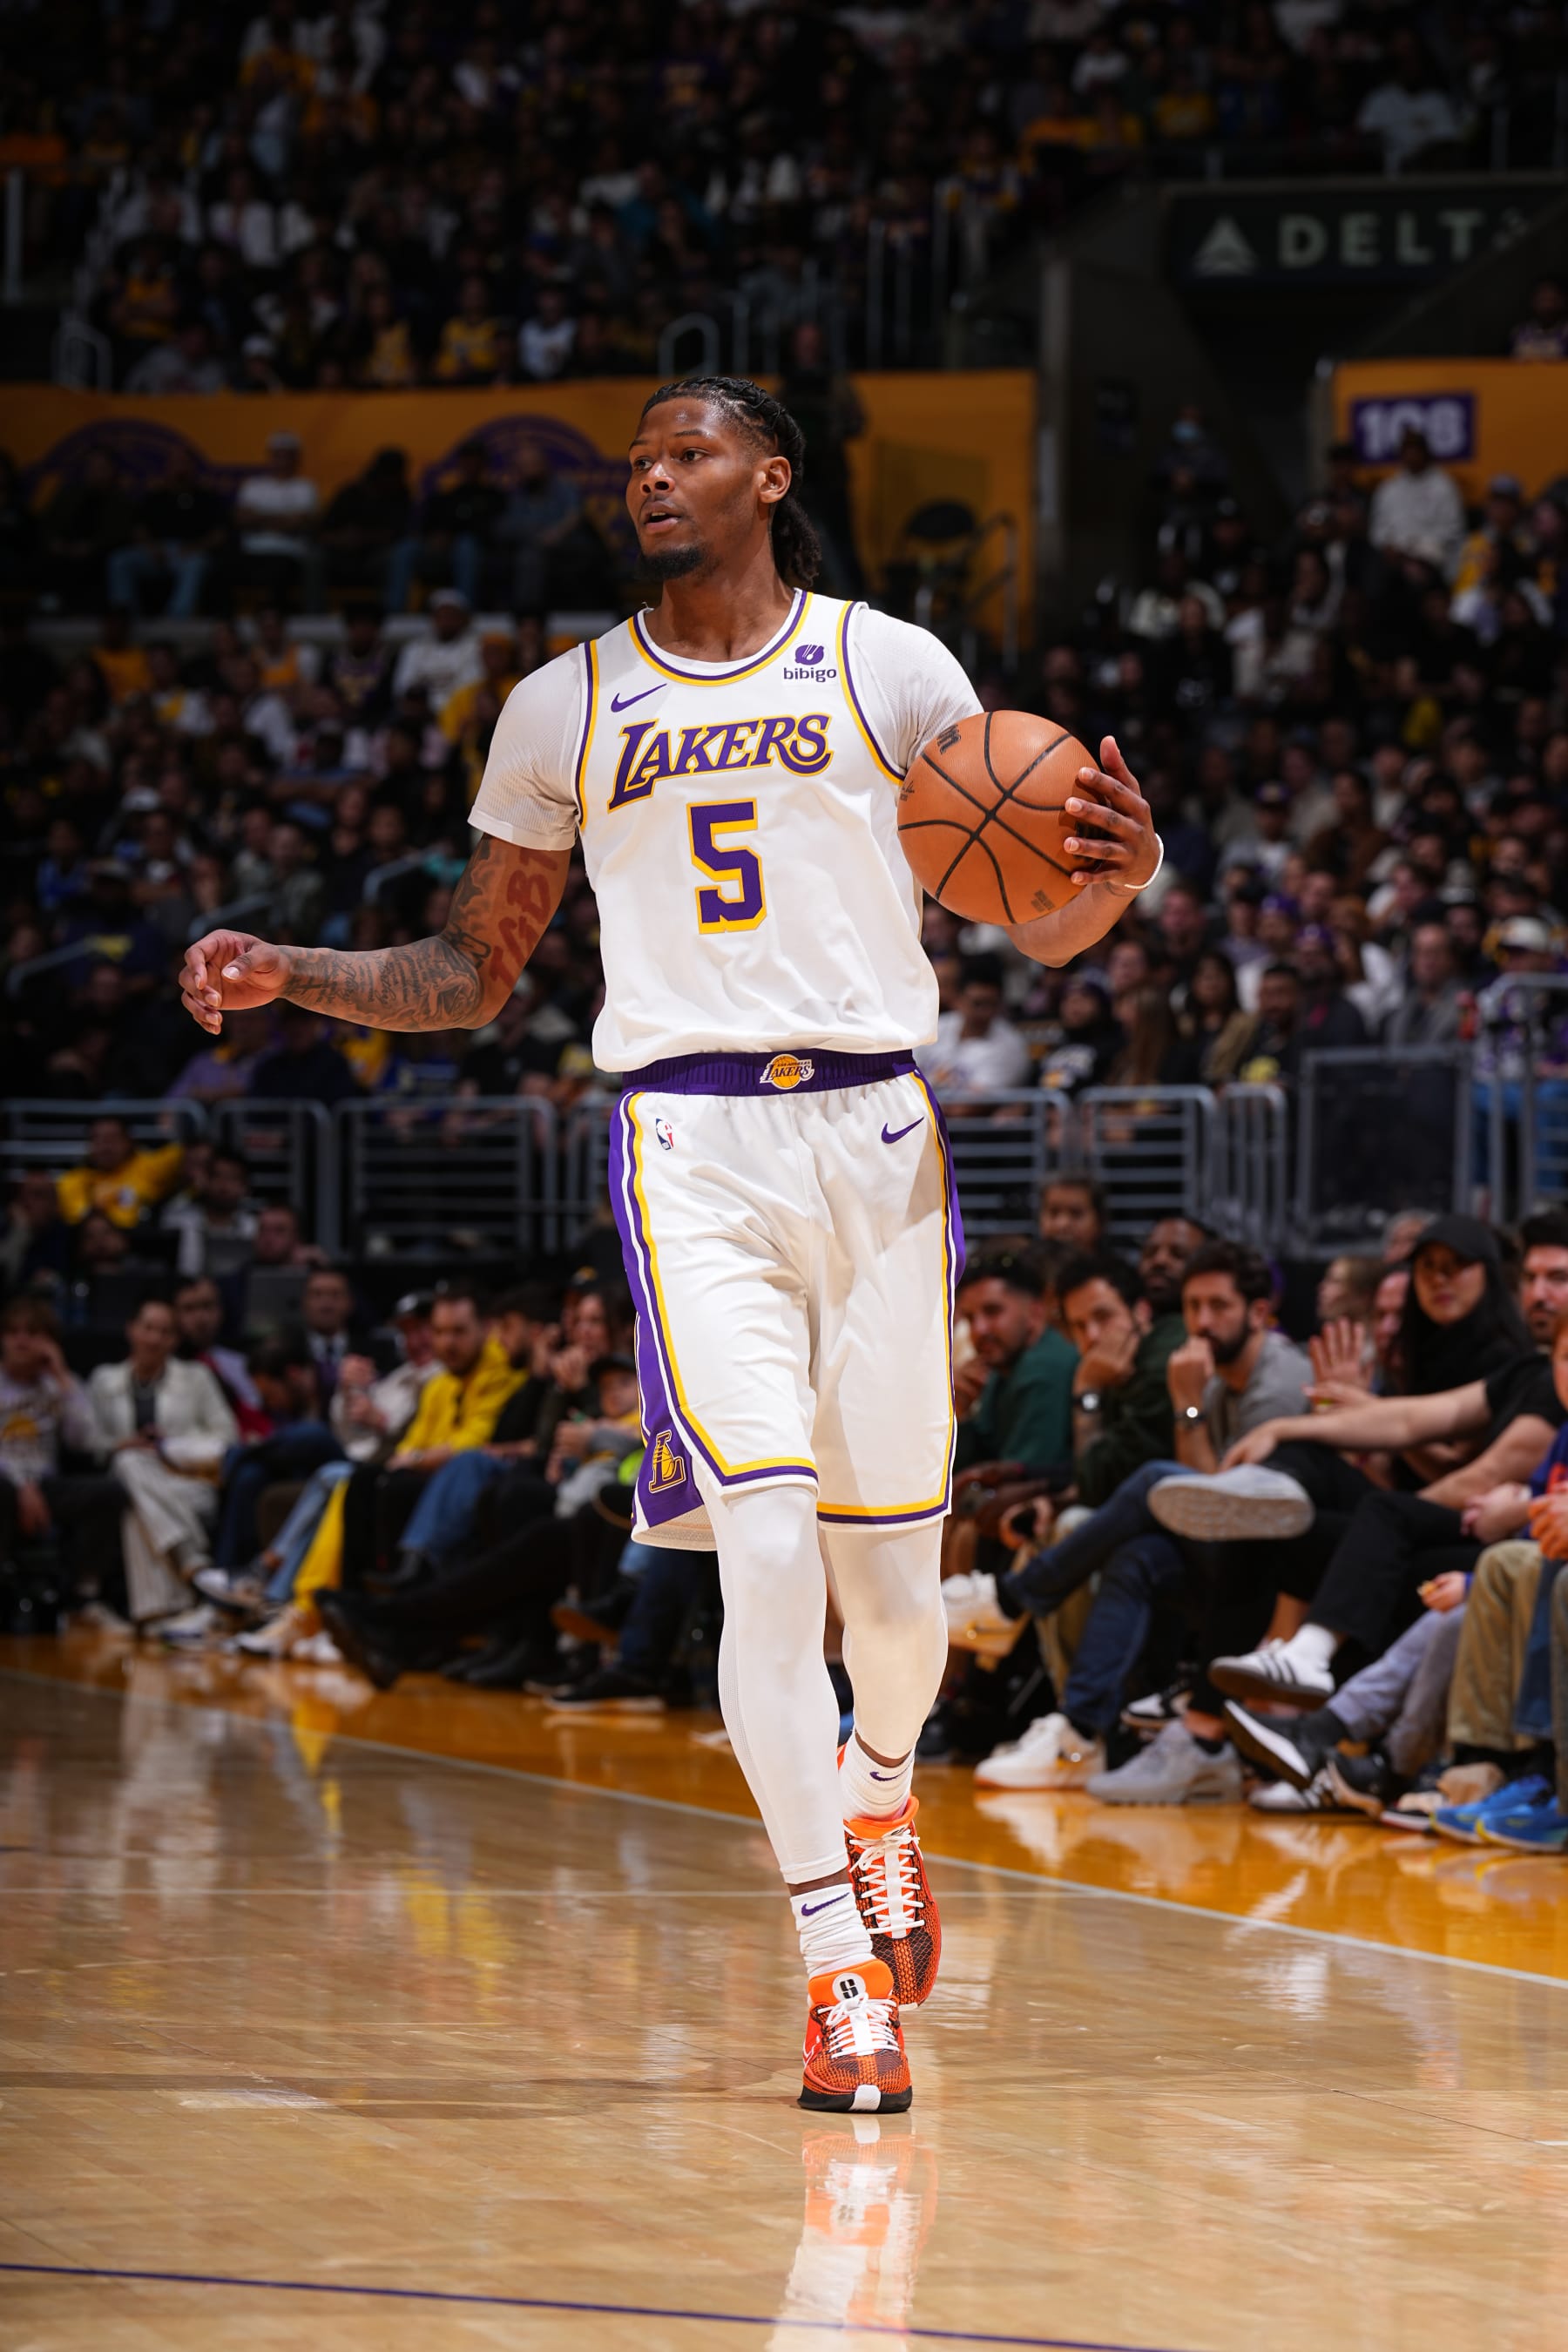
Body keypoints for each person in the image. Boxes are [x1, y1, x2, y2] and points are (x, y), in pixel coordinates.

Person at [178, 370, 1161, 2114]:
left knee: (899, 1607)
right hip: (688, 1141)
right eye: (638, 459)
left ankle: (877, 1799)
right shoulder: (563, 706)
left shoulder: (888, 663)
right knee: (765, 1556)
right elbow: (474, 973)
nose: (653, 477)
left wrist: (1114, 880)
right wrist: (296, 973)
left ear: (771, 476)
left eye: (688, 451)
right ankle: (833, 1973)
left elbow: (1046, 913)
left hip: (876, 1132)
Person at [88, 1294, 238, 1627]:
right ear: (131, 1330)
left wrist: (171, 1447)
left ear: (175, 1339)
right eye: (148, 1328)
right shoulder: (104, 1380)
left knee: (135, 1505)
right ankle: (190, 1573)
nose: (155, 1339)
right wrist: (121, 1444)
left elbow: (227, 1436)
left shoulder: (197, 1377)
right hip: (135, 1482)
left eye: (165, 1332)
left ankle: (157, 1612)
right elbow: (89, 1440)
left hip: (187, 1482)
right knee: (129, 1463)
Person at [0, 1298, 123, 1609]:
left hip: (45, 1484)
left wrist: (62, 1376)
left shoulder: (58, 1386)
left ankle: (86, 1592)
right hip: (5, 1482)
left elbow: (85, 1440)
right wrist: (21, 1484)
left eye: (32, 1333)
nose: (21, 1340)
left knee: (110, 1492)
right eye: (13, 1332)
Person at [916, 956, 1030, 1097]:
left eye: (991, 1004)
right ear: (959, 999)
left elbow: (964, 1109)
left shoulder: (1009, 1046)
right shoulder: (939, 1026)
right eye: (977, 1003)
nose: (984, 1012)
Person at [56, 1116, 185, 1231]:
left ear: (129, 1141)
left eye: (113, 1139)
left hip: (142, 1243)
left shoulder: (150, 1167)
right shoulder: (71, 1181)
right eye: (98, 1139)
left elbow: (184, 1151)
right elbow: (77, 1219)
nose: (106, 1147)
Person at [1038, 1175, 1106, 1251]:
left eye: (1076, 1213)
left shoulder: (1113, 1262)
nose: (1063, 1224)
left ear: (1099, 1220)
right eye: (1054, 1212)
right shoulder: (1026, 1261)